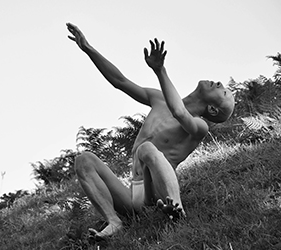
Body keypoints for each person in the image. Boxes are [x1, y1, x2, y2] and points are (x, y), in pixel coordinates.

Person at [66, 23, 235, 239]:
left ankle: (177, 209)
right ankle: (114, 221)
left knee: (146, 149)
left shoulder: (199, 125)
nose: (220, 83)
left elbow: (179, 112)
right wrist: (88, 48)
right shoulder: (159, 99)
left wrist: (160, 70)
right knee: (84, 160)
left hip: (158, 192)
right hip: (134, 192)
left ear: (212, 109)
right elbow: (120, 81)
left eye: (224, 92)